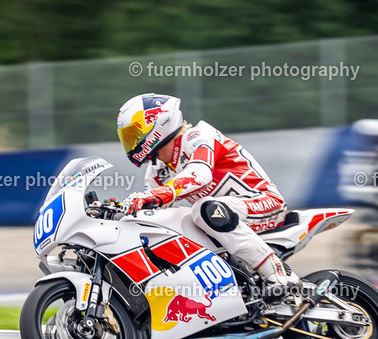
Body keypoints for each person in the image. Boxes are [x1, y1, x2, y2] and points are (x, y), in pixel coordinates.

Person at [115, 93, 298, 291]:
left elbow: (200, 173)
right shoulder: (156, 170)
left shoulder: (198, 135)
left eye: (135, 134)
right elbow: (150, 215)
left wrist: (155, 195)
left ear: (158, 123)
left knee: (203, 209)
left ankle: (278, 272)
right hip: (223, 217)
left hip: (264, 203)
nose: (132, 142)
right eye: (128, 137)